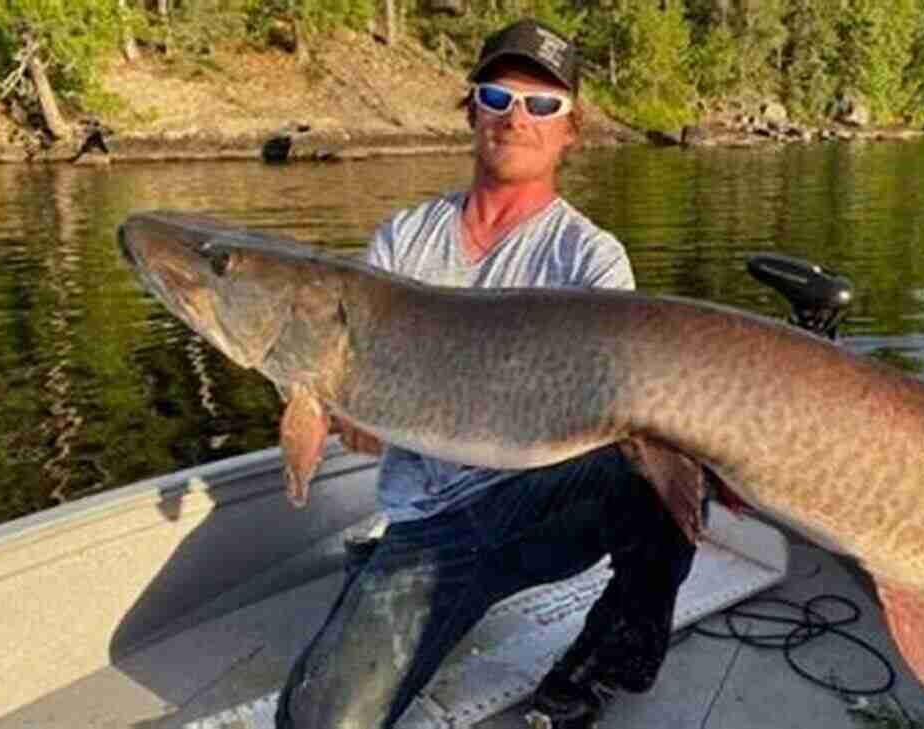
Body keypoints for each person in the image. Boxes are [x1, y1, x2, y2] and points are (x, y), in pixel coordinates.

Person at [275, 18, 707, 729]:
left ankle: (608, 658)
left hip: (542, 506)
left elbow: (620, 411)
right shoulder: (403, 239)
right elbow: (347, 383)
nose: (517, 118)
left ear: (570, 130)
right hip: (426, 527)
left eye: (542, 105)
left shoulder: (591, 259)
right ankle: (391, 585)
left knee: (668, 467)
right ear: (471, 108)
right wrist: (344, 413)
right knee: (317, 722)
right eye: (498, 96)